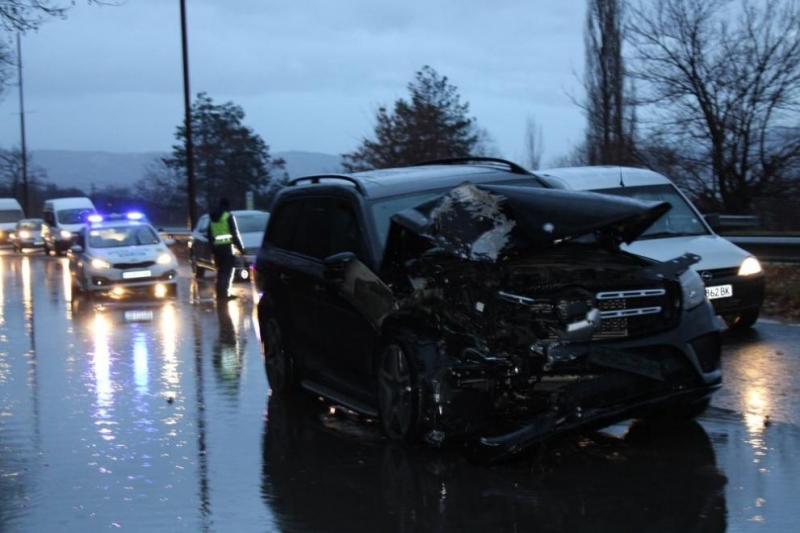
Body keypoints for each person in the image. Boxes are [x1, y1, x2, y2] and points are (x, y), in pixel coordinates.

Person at [206, 197, 245, 301]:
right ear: (227, 206)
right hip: (226, 248)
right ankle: (225, 294)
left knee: (220, 272)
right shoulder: (228, 216)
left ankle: (220, 294)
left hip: (217, 248)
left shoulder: (212, 218)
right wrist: (241, 248)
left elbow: (209, 235)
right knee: (227, 271)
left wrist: (212, 249)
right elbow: (234, 233)